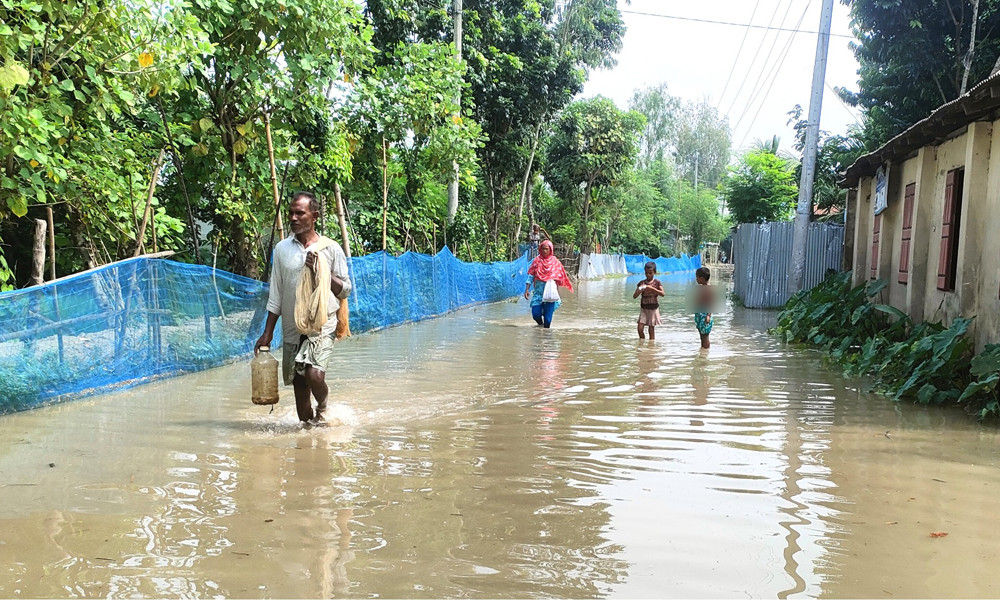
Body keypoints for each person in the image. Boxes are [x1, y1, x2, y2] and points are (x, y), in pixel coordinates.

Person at [255, 191, 352, 425]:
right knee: (299, 388)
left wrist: (323, 271)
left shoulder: (330, 249)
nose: (293, 218)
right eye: (291, 213)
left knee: (313, 374)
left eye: (300, 213)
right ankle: (310, 439)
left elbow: (345, 290)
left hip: (321, 324)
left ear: (314, 216)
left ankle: (325, 408)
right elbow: (276, 293)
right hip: (291, 326)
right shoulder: (282, 250)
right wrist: (268, 332)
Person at [523, 240, 573, 328]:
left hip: (550, 295)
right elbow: (531, 275)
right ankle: (539, 326)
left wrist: (556, 290)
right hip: (538, 294)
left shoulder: (555, 262)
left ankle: (546, 339)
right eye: (543, 249)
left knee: (548, 321)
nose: (544, 251)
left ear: (551, 250)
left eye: (546, 249)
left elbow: (559, 277)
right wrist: (527, 289)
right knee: (536, 314)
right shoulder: (537, 261)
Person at [633, 261, 664, 339]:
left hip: (653, 308)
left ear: (654, 272)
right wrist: (639, 290)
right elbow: (634, 296)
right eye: (646, 273)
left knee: (651, 329)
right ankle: (642, 342)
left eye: (650, 273)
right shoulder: (642, 283)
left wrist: (652, 288)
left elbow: (662, 294)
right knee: (640, 328)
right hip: (644, 309)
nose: (648, 275)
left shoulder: (657, 283)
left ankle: (651, 347)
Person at [694, 266, 713, 349]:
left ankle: (705, 352)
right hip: (700, 314)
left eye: (697, 277)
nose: (696, 279)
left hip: (705, 315)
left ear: (701, 278)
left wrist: (708, 315)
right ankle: (703, 351)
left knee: (705, 336)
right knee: (702, 335)